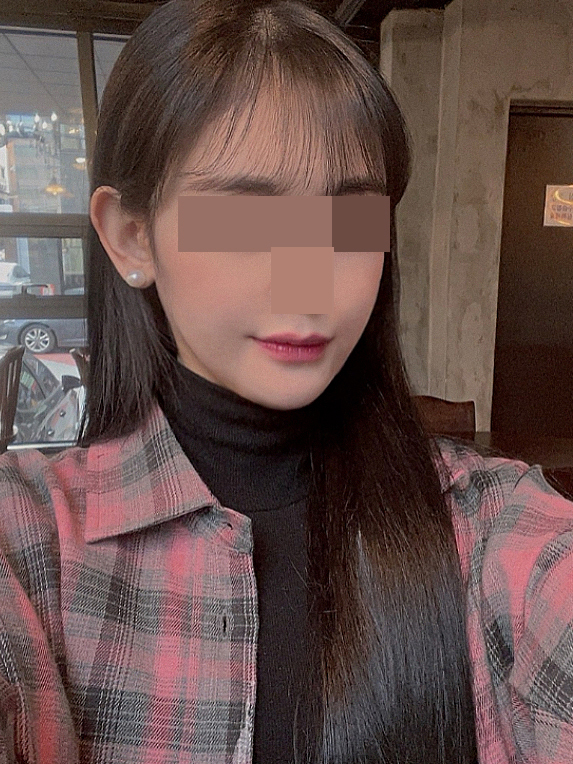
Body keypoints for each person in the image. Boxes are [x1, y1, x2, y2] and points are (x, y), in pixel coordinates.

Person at [1, 0, 573, 762]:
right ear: (132, 238)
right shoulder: (28, 543)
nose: (307, 285)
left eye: (349, 220)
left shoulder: (488, 524)